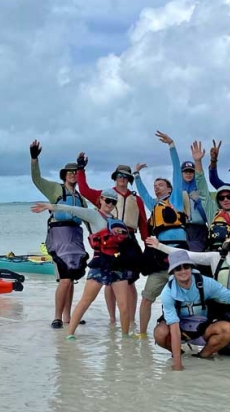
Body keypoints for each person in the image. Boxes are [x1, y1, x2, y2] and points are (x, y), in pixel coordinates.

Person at [31, 189, 140, 338]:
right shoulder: (94, 215)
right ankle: (70, 334)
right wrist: (50, 206)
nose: (109, 204)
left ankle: (126, 338)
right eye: (107, 200)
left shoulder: (117, 221)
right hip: (100, 264)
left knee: (124, 306)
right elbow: (72, 209)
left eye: (113, 202)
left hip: (118, 264)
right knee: (86, 300)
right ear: (101, 199)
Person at [146, 229, 230, 356]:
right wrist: (160, 246)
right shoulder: (216, 257)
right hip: (218, 310)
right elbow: (188, 255)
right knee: (222, 348)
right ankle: (188, 355)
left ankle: (203, 357)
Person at [156, 250, 230, 371]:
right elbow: (174, 328)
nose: (183, 271)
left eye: (186, 266)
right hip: (179, 328)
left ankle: (203, 356)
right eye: (178, 269)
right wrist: (177, 364)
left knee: (228, 330)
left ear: (191, 267)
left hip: (203, 328)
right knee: (160, 333)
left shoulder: (206, 283)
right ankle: (178, 353)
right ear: (172, 272)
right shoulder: (167, 293)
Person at [76, 154, 148, 328]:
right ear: (115, 177)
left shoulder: (136, 199)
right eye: (119, 176)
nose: (122, 179)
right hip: (109, 242)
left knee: (130, 282)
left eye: (125, 177)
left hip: (129, 241)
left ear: (129, 179)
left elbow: (143, 223)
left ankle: (130, 319)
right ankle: (112, 319)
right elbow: (84, 190)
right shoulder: (105, 196)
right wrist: (80, 169)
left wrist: (148, 245)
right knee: (110, 282)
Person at [132, 131, 189, 339]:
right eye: (155, 185)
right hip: (158, 259)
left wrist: (172, 145)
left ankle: (184, 333)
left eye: (160, 185)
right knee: (147, 297)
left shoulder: (175, 199)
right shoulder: (153, 205)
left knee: (184, 298)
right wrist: (136, 175)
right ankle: (142, 334)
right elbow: (143, 194)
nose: (156, 187)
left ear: (170, 188)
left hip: (177, 257)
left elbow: (176, 170)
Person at [29, 140, 90, 329]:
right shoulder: (55, 189)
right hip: (59, 237)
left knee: (71, 280)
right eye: (70, 173)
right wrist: (34, 158)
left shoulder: (81, 198)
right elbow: (37, 179)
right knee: (64, 279)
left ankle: (67, 317)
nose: (72, 175)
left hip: (75, 239)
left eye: (75, 172)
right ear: (64, 175)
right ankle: (56, 316)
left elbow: (89, 220)